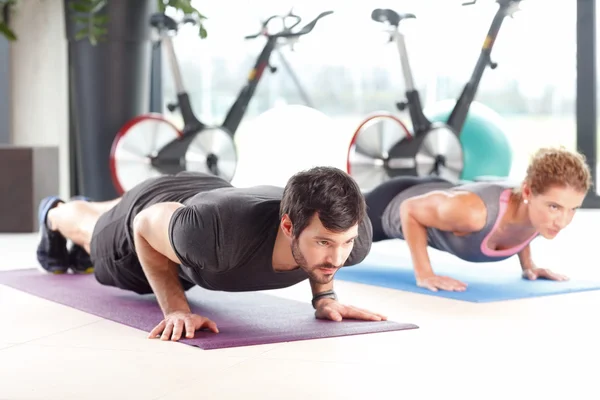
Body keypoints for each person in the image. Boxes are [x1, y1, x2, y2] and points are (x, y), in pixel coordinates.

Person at [35, 167, 387, 341]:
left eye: (344, 242)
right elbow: (144, 224)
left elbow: (334, 242)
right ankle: (54, 212)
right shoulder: (215, 236)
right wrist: (176, 309)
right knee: (93, 235)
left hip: (203, 198)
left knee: (125, 218)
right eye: (324, 243)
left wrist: (325, 296)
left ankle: (101, 207)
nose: (338, 257)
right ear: (288, 227)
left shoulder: (353, 235)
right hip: (159, 217)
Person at [364, 146, 592, 292]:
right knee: (334, 226)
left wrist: (529, 265)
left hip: (443, 194)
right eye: (555, 207)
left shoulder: (539, 214)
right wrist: (425, 274)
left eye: (573, 209)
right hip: (390, 205)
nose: (562, 221)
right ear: (528, 192)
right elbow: (409, 208)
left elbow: (521, 221)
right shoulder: (473, 215)